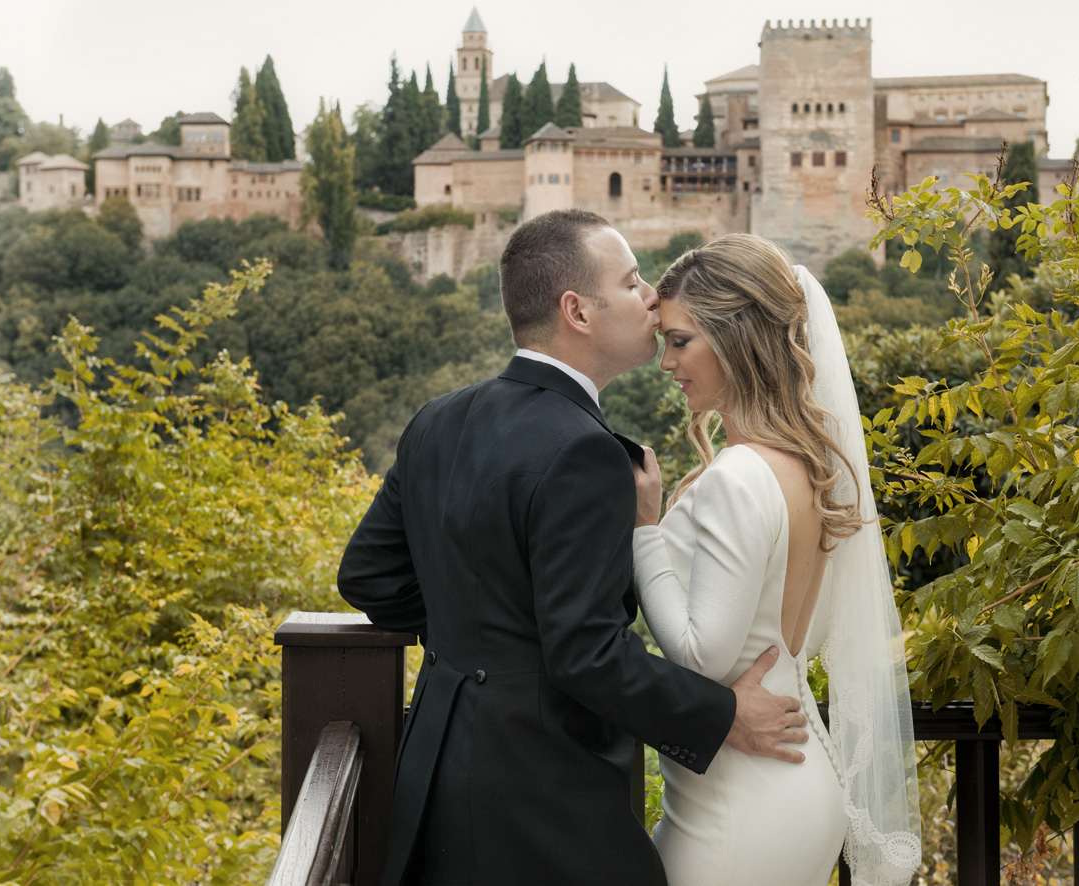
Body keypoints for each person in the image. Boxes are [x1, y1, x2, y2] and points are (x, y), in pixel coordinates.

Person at [338, 210, 810, 886]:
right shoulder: (586, 451)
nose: (650, 295)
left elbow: (369, 578)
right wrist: (725, 714)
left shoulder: (436, 420)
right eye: (631, 281)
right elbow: (586, 653)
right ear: (577, 311)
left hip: (437, 774)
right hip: (544, 799)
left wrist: (488, 634)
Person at [632, 233, 922, 886]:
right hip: (785, 776)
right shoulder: (802, 466)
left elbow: (704, 656)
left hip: (741, 806)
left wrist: (644, 533)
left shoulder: (740, 475)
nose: (665, 363)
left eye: (680, 341)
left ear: (736, 339)